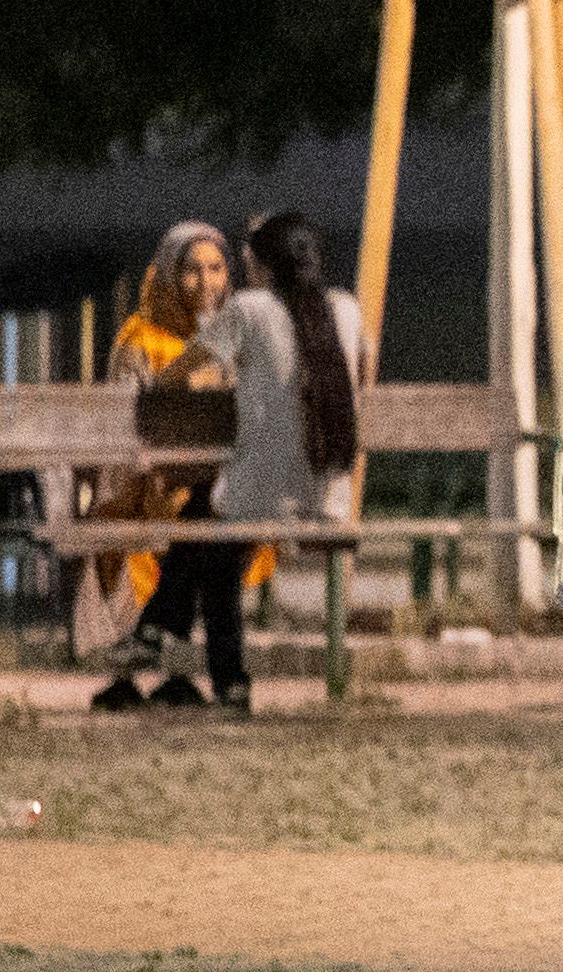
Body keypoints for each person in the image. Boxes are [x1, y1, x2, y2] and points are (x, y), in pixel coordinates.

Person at [121, 211, 362, 717]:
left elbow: (172, 377)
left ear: (263, 267)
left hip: (262, 493)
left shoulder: (249, 309)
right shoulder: (345, 308)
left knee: (209, 539)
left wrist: (209, 328)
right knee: (208, 537)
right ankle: (174, 645)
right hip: (330, 494)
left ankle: (172, 638)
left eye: (243, 261)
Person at [89, 223, 277, 709]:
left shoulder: (234, 337)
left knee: (206, 520)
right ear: (169, 276)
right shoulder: (142, 337)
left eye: (216, 269)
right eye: (192, 271)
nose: (207, 282)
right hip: (151, 487)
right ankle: (200, 669)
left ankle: (162, 644)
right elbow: (122, 427)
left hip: (208, 489)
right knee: (200, 522)